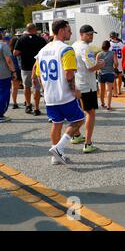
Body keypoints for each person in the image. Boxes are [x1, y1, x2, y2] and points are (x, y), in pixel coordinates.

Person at [35, 20, 85, 165]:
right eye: (69, 30)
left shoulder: (42, 50)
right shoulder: (66, 49)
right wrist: (74, 89)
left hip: (50, 95)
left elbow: (38, 74)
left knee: (56, 123)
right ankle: (59, 148)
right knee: (78, 120)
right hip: (64, 94)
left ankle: (55, 154)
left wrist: (45, 90)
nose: (70, 33)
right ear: (62, 30)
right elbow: (69, 73)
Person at [72, 25, 104, 153]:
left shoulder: (74, 45)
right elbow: (91, 67)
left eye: (92, 34)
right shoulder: (86, 48)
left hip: (76, 83)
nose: (91, 36)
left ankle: (77, 135)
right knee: (90, 113)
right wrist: (100, 64)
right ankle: (88, 143)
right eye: (89, 34)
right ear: (82, 34)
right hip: (87, 86)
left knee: (78, 112)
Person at [13, 23, 47, 115]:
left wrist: (23, 51)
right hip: (37, 66)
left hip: (25, 67)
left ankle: (28, 105)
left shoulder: (21, 39)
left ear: (27, 29)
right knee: (36, 87)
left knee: (26, 86)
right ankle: (36, 108)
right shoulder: (41, 39)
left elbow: (15, 53)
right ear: (34, 29)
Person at [0, 33, 17, 123]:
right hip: (3, 74)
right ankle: (0, 114)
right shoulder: (3, 45)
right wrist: (14, 71)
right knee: (4, 93)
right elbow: (9, 60)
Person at [97, 40, 118, 110]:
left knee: (101, 90)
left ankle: (102, 103)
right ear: (109, 46)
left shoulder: (99, 54)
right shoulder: (113, 53)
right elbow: (116, 63)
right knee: (109, 90)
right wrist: (115, 67)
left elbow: (96, 65)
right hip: (110, 73)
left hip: (101, 73)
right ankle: (108, 105)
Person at [6, 35, 21, 109]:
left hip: (13, 70)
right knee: (27, 87)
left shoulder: (9, 51)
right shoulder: (20, 51)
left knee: (14, 88)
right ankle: (26, 102)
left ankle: (15, 103)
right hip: (22, 69)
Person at [109, 32, 125, 97]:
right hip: (120, 61)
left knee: (114, 78)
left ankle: (115, 92)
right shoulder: (121, 44)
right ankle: (119, 90)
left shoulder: (109, 44)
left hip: (113, 62)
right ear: (116, 36)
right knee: (120, 76)